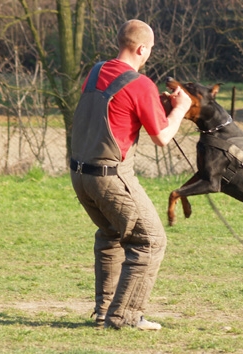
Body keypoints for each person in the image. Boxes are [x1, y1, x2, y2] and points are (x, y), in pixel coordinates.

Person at [70, 19, 191, 330]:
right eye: (149, 50)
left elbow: (117, 110)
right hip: (110, 175)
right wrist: (179, 109)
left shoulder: (96, 71)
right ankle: (124, 317)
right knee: (150, 240)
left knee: (111, 234)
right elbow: (162, 137)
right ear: (142, 49)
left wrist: (155, 104)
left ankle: (104, 312)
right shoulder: (140, 84)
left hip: (80, 174)